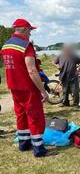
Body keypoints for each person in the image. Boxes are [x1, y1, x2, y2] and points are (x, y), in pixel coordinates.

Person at [1, 19, 51, 157]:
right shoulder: (26, 45)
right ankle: (39, 149)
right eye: (29, 30)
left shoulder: (5, 46)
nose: (30, 34)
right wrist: (43, 91)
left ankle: (24, 144)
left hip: (14, 86)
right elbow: (32, 71)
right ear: (23, 29)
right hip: (28, 88)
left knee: (21, 115)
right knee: (35, 117)